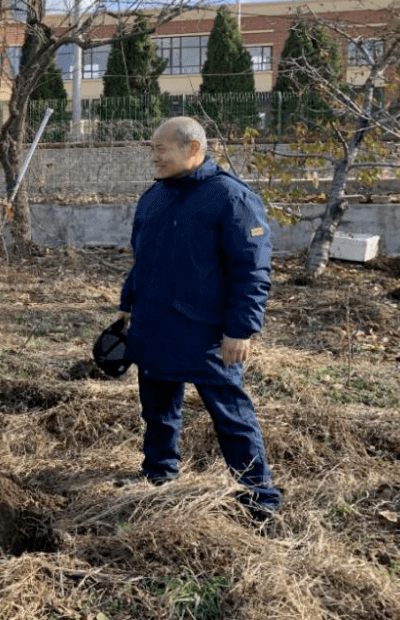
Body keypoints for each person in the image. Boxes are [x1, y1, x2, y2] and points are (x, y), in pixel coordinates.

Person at [117, 116, 282, 520]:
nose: (153, 157)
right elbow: (143, 260)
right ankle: (159, 475)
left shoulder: (230, 198)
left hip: (206, 333)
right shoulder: (153, 198)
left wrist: (241, 329)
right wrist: (127, 304)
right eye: (152, 149)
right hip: (155, 325)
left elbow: (252, 270)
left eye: (161, 149)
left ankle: (259, 501)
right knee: (157, 409)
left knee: (231, 417)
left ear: (193, 149)